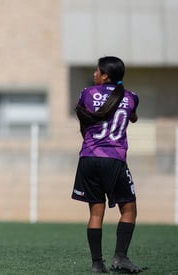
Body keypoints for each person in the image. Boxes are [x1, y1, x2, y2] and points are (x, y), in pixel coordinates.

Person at [71, 56, 143, 273]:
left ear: (105, 75)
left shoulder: (87, 93)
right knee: (129, 210)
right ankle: (120, 257)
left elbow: (83, 116)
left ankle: (96, 264)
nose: (94, 73)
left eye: (97, 70)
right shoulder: (131, 97)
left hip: (88, 158)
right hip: (114, 159)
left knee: (95, 212)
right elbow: (133, 117)